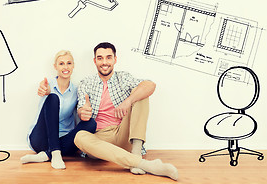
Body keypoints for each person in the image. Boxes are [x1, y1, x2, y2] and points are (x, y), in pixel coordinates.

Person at [74, 42, 178, 180]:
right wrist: (83, 112)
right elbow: (81, 109)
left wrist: (128, 101)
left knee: (141, 92)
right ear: (95, 61)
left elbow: (150, 85)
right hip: (101, 139)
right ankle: (145, 164)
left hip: (123, 133)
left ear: (115, 59)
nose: (104, 62)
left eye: (108, 57)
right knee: (79, 137)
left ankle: (136, 153)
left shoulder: (123, 77)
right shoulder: (85, 83)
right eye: (100, 58)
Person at [21, 50, 97, 169]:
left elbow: (82, 110)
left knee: (91, 123)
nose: (65, 67)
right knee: (53, 98)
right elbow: (44, 87)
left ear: (73, 66)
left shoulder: (77, 90)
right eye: (61, 64)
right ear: (55, 67)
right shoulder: (48, 85)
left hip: (64, 140)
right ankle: (55, 153)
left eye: (69, 63)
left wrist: (84, 110)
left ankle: (46, 155)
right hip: (40, 139)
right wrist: (45, 91)